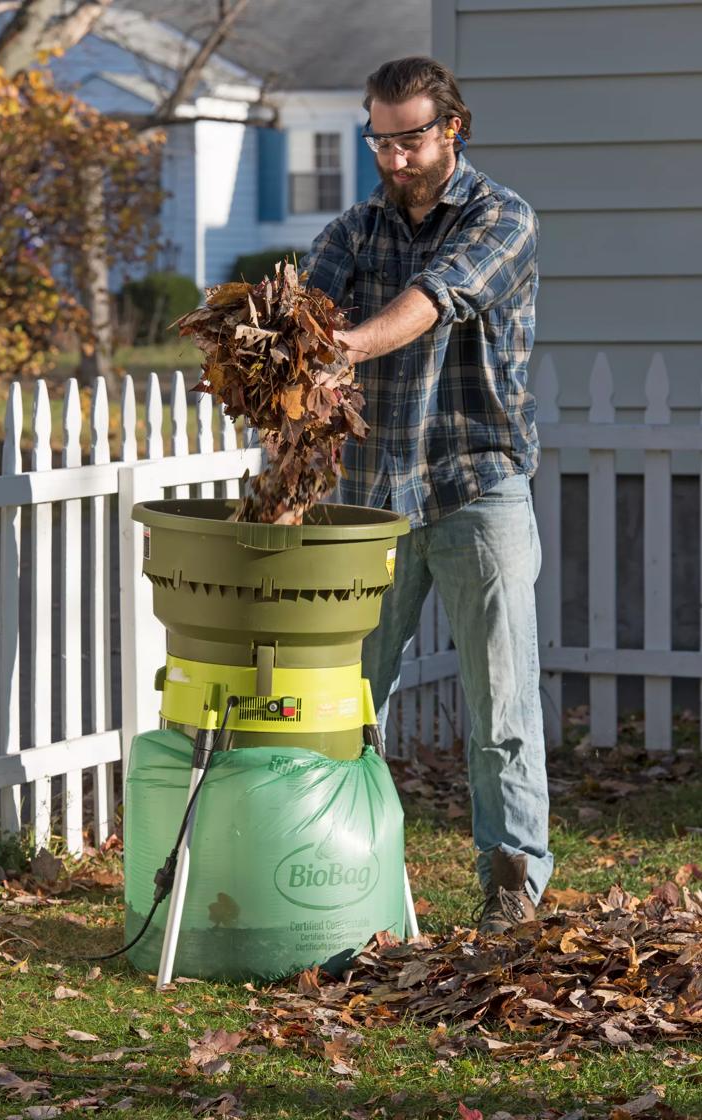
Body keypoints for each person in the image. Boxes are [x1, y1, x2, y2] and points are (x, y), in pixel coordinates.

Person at [305, 56, 553, 934]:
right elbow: (309, 311)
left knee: (501, 701)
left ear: (453, 127)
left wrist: (344, 352)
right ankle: (330, 870)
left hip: (477, 485)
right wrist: (296, 363)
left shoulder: (503, 218)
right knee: (342, 698)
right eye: (380, 139)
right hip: (369, 501)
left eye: (410, 138)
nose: (394, 158)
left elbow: (434, 299)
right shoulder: (351, 230)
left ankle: (511, 881)